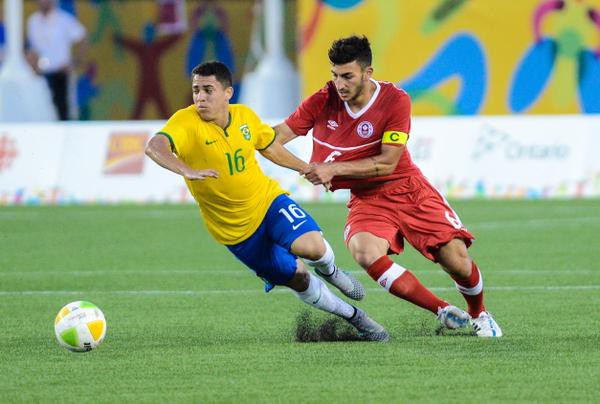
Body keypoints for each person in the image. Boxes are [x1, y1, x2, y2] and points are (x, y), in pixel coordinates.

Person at [273, 35, 502, 337]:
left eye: (347, 76)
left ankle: (479, 313)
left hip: (408, 188)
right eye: (335, 75)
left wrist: (333, 168)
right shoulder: (323, 99)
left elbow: (387, 163)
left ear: (367, 73)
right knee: (364, 252)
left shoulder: (395, 100)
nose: (339, 84)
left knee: (457, 262)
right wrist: (243, 134)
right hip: (367, 198)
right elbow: (275, 137)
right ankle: (443, 310)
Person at [145, 61, 388, 342]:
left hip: (268, 203)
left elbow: (269, 145)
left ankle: (332, 271)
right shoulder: (186, 122)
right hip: (236, 232)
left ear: (227, 93)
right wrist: (185, 169)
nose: (200, 97)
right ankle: (356, 318)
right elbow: (155, 146)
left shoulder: (245, 117)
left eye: (208, 90)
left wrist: (303, 167)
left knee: (313, 247)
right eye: (196, 90)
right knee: (299, 279)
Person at [26, 0, 87, 120]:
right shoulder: (33, 21)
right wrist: (32, 65)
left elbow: (82, 38)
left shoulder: (64, 20)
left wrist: (75, 62)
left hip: (61, 73)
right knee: (40, 111)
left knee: (63, 110)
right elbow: (31, 47)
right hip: (40, 75)